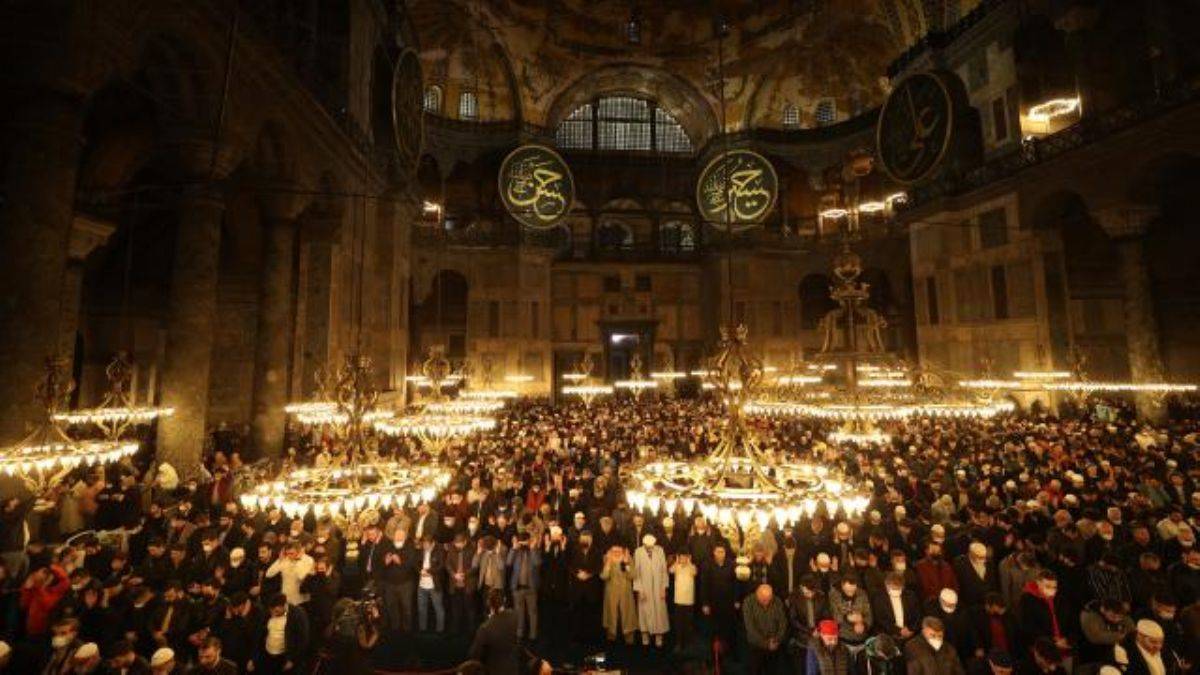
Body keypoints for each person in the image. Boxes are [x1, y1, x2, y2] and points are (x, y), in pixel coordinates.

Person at [250, 593, 310, 675]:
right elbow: (260, 634)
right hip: (267, 655)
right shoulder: (269, 612)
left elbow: (302, 640)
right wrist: (254, 658)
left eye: (276, 611)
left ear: (284, 606)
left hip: (283, 657)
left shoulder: (297, 615)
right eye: (271, 611)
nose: (273, 614)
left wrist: (292, 660)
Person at [467, 589, 520, 675]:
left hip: (495, 670)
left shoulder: (486, 628)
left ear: (488, 603)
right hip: (513, 669)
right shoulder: (515, 616)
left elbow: (475, 653)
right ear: (505, 600)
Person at [633, 533, 669, 648]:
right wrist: (639, 589)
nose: (650, 548)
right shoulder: (638, 552)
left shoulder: (660, 550)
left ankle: (659, 636)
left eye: (652, 546)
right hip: (644, 587)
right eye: (648, 546)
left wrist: (663, 587)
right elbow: (636, 572)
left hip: (658, 586)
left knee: (659, 611)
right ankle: (645, 636)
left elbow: (664, 570)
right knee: (644, 611)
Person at [743, 584, 787, 675]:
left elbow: (783, 622)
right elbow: (750, 628)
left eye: (769, 599)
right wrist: (766, 643)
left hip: (774, 643)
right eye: (763, 599)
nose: (766, 602)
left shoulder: (777, 601)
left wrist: (777, 639)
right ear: (757, 594)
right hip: (756, 645)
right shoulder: (748, 602)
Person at [600, 545, 637, 644]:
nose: (616, 553)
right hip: (611, 593)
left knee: (627, 616)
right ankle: (612, 638)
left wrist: (626, 564)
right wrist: (608, 563)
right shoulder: (606, 559)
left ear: (623, 551)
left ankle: (629, 638)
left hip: (625, 592)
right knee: (611, 616)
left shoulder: (628, 558)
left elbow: (633, 575)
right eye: (614, 551)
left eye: (619, 551)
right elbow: (604, 576)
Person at [506, 532, 539, 641]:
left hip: (531, 587)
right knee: (519, 612)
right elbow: (508, 563)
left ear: (529, 540)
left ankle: (533, 634)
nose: (524, 544)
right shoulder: (515, 551)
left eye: (526, 541)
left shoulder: (535, 550)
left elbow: (537, 563)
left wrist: (533, 548)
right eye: (522, 541)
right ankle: (519, 634)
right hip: (517, 587)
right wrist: (514, 548)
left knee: (532, 612)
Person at [416, 534, 446, 633]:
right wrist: (420, 570)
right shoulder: (420, 550)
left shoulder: (439, 551)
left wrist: (429, 571)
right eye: (423, 544)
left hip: (434, 585)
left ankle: (440, 630)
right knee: (421, 609)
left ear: (432, 543)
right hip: (421, 585)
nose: (425, 547)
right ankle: (422, 629)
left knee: (438, 609)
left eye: (427, 545)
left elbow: (441, 566)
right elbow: (415, 563)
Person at [668, 551, 697, 651]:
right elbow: (670, 571)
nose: (683, 559)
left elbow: (694, 572)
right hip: (678, 600)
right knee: (678, 623)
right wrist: (676, 561)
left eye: (685, 557)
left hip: (689, 601)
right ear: (679, 558)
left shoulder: (692, 567)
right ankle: (679, 643)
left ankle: (688, 643)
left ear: (688, 558)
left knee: (688, 623)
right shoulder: (676, 567)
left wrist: (689, 562)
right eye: (681, 557)